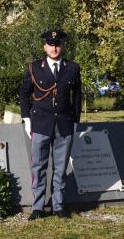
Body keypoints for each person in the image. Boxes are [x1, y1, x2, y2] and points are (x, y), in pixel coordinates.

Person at [19, 29, 82, 220]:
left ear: (62, 46)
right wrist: (27, 119)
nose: (54, 48)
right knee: (38, 166)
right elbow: (24, 93)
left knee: (60, 168)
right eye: (50, 44)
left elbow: (77, 96)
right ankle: (38, 207)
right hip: (40, 123)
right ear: (44, 46)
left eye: (57, 44)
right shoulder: (34, 68)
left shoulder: (72, 68)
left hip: (64, 124)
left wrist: (76, 121)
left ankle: (58, 205)